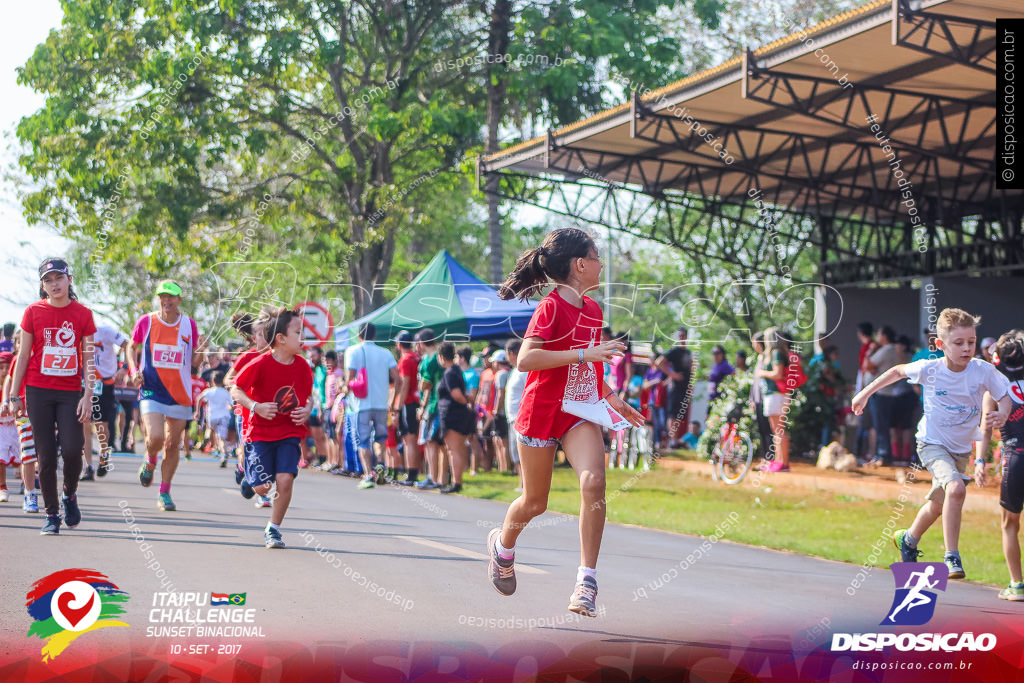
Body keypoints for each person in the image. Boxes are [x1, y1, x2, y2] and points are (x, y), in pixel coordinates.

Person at [489, 227, 644, 617]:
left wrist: (612, 398)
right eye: (596, 256)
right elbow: (525, 360)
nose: (601, 263)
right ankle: (502, 546)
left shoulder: (593, 310)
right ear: (580, 264)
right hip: (540, 412)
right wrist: (583, 353)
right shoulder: (551, 307)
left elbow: (588, 368)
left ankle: (586, 581)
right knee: (535, 503)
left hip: (577, 411)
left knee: (594, 482)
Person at [853, 308, 1011, 580]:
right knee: (956, 489)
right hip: (931, 443)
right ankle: (952, 556)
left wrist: (1003, 413)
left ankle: (908, 539)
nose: (966, 348)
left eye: (971, 342)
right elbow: (897, 371)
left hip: (960, 449)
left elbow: (1004, 394)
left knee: (939, 506)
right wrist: (864, 394)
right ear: (941, 344)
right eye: (958, 343)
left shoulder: (983, 371)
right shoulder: (930, 368)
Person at [8, 258, 96, 535]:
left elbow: (89, 359)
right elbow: (22, 356)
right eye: (48, 280)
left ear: (69, 280)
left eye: (58, 278)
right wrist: (13, 395)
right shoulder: (33, 312)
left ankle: (69, 494)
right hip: (38, 390)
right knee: (45, 456)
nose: (54, 284)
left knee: (72, 449)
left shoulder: (83, 314)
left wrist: (88, 394)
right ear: (42, 286)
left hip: (70, 392)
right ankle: (52, 514)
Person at [230, 307, 313, 548]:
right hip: (260, 432)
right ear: (281, 339)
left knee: (285, 479)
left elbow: (308, 398)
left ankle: (273, 529)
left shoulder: (303, 366)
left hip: (289, 431)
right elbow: (236, 388)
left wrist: (307, 410)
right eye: (298, 332)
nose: (303, 337)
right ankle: (248, 473)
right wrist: (255, 406)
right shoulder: (261, 363)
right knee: (262, 487)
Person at [126, 280, 200, 512]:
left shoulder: (189, 325)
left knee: (172, 444)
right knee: (156, 437)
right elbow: (131, 346)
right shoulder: (146, 321)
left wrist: (202, 353)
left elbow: (194, 363)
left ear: (179, 299)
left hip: (180, 392)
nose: (166, 301)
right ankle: (149, 459)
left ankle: (164, 491)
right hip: (152, 389)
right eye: (162, 297)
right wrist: (133, 370)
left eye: (171, 297)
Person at [977, 330, 1024, 600]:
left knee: (1010, 524)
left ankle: (1017, 585)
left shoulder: (995, 386)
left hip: (1015, 456)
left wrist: (981, 461)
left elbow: (984, 429)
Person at [344, 323, 398, 490]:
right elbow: (398, 378)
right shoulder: (386, 353)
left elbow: (350, 379)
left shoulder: (352, 351)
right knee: (381, 438)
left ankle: (368, 474)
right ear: (375, 336)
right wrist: (392, 400)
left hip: (361, 404)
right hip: (382, 403)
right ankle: (381, 464)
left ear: (359, 335)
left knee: (363, 440)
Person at [82, 323, 128, 479]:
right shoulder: (75, 333)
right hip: (83, 382)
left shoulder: (105, 331)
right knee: (84, 424)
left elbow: (128, 345)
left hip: (104, 383)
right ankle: (88, 466)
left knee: (102, 426)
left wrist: (124, 368)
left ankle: (103, 455)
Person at [436, 342, 475, 493]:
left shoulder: (450, 373)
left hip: (453, 415)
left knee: (454, 450)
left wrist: (464, 401)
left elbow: (456, 394)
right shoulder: (457, 370)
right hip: (459, 414)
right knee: (456, 449)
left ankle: (456, 482)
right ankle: (456, 481)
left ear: (441, 357)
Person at [863, 326, 901, 466]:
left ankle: (883, 456)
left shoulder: (886, 349)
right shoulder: (891, 349)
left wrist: (871, 350)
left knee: (881, 425)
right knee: (881, 425)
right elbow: (872, 368)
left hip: (881, 393)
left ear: (884, 336)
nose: (877, 336)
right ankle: (882, 455)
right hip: (885, 393)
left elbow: (869, 365)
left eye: (878, 334)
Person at [755, 326, 791, 472]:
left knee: (778, 430)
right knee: (776, 430)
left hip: (776, 394)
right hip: (774, 395)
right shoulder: (777, 353)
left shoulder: (776, 353)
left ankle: (783, 462)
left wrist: (762, 373)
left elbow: (778, 374)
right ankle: (779, 461)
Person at [391, 331, 421, 486]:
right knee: (411, 439)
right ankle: (412, 473)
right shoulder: (416, 357)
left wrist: (397, 407)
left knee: (409, 439)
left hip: (408, 402)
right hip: (414, 401)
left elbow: (404, 384)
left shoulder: (405, 360)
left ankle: (411, 474)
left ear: (399, 344)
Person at [414, 329, 443, 490]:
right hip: (438, 403)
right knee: (436, 443)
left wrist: (422, 407)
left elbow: (425, 385)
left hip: (433, 404)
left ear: (422, 343)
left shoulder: (429, 360)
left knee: (430, 442)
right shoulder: (437, 356)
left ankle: (432, 476)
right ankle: (437, 476)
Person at [661, 327, 693, 448]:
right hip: (675, 388)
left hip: (684, 388)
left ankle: (676, 439)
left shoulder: (687, 353)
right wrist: (673, 375)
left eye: (683, 335)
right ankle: (673, 440)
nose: (681, 338)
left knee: (680, 414)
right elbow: (659, 362)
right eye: (679, 335)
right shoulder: (674, 351)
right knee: (673, 415)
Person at [301, 346, 329, 468]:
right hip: (314, 407)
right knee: (316, 435)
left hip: (323, 406)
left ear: (320, 355)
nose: (312, 358)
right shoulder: (313, 371)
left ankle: (326, 458)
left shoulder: (325, 370)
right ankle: (320, 457)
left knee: (323, 435)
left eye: (314, 356)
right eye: (310, 356)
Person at [197, 372, 233, 466]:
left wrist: (197, 411)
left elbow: (199, 398)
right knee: (221, 437)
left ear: (213, 381)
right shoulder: (226, 392)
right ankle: (223, 454)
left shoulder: (209, 391)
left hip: (212, 416)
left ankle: (207, 437)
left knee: (213, 430)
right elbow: (231, 405)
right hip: (223, 416)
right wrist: (229, 408)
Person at [504, 339, 526, 491]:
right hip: (512, 418)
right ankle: (521, 483)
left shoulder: (524, 370)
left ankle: (525, 485)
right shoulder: (514, 370)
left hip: (520, 418)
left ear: (511, 353)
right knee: (515, 454)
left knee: (522, 454)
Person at [489, 350, 513, 474]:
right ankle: (506, 468)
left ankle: (504, 468)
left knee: (501, 441)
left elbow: (500, 393)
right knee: (504, 441)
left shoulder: (501, 374)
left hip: (502, 411)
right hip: (510, 411)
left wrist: (496, 410)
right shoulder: (512, 372)